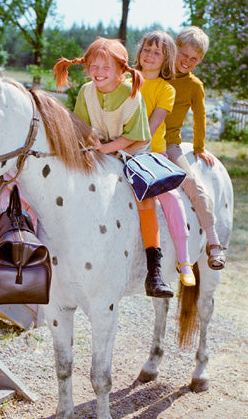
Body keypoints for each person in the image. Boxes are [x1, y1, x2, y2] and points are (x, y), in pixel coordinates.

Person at [53, 37, 173, 297]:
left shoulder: (132, 95)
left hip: (132, 150)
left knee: (145, 199)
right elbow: (82, 126)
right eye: (93, 66)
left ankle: (154, 269)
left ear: (121, 71)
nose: (98, 72)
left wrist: (106, 149)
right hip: (100, 147)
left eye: (105, 67)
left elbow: (136, 135)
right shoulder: (86, 92)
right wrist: (91, 139)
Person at [134, 30, 196, 286]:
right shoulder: (126, 80)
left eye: (156, 52)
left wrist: (125, 148)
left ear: (166, 58)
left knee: (170, 195)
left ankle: (183, 259)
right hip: (119, 149)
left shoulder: (166, 89)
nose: (149, 55)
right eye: (146, 49)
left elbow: (149, 129)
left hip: (151, 153)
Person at [165, 26, 226, 270]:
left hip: (169, 144)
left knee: (193, 186)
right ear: (175, 50)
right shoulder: (157, 73)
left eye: (194, 59)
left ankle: (213, 242)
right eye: (184, 55)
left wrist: (199, 147)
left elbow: (200, 119)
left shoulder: (194, 86)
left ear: (200, 60)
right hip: (139, 139)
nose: (188, 62)